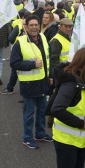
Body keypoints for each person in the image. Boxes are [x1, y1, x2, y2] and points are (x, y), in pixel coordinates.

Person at [11, 15, 52, 149]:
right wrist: (32, 64)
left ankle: (40, 133)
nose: (34, 27)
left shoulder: (43, 38)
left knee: (42, 110)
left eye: (36, 25)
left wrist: (50, 75)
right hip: (29, 84)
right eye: (31, 25)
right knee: (29, 113)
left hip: (43, 82)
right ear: (26, 27)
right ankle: (27, 137)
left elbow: (47, 59)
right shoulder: (20, 42)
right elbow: (14, 63)